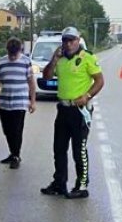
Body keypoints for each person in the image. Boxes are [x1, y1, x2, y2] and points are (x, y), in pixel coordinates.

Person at [39, 27, 105, 199]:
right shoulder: (59, 59)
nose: (68, 44)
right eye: (66, 41)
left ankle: (82, 185)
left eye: (72, 40)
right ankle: (59, 182)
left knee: (79, 149)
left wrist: (88, 95)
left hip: (80, 110)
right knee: (59, 148)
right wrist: (54, 59)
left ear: (78, 40)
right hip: (63, 108)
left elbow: (100, 80)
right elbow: (46, 76)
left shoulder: (87, 58)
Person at [0, 37, 36, 169]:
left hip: (20, 103)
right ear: (7, 51)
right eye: (10, 54)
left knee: (17, 130)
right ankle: (12, 152)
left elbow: (31, 83)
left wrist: (32, 101)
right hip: (5, 102)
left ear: (20, 50)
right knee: (7, 130)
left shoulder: (26, 62)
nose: (12, 57)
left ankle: (16, 155)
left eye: (15, 54)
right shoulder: (1, 63)